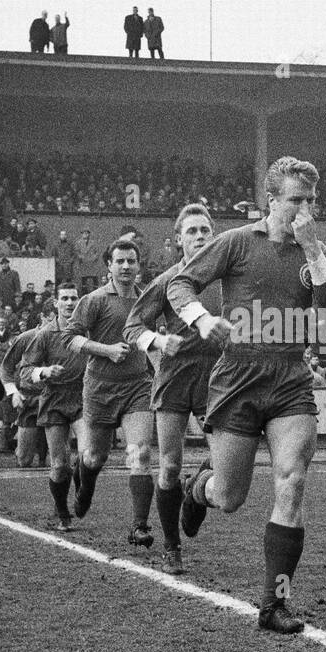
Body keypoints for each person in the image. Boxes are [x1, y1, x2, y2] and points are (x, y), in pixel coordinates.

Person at [167, 156, 326, 634]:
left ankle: (274, 603)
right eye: (295, 200)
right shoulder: (236, 243)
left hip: (290, 380)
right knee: (229, 497)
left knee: (291, 480)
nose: (305, 209)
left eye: (311, 200)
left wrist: (312, 251)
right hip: (238, 378)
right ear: (272, 201)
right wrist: (203, 320)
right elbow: (181, 283)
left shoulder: (317, 251)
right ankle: (196, 488)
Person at [122, 204, 221, 573]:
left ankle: (196, 492)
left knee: (227, 461)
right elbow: (132, 327)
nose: (199, 237)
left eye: (205, 230)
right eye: (191, 231)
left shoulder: (228, 278)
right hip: (175, 378)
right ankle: (171, 546)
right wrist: (159, 343)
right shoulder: (167, 281)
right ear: (178, 239)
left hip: (218, 378)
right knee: (169, 465)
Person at [62, 239, 156, 546]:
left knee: (140, 452)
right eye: (120, 261)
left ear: (139, 265)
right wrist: (105, 350)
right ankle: (85, 485)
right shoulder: (95, 300)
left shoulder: (148, 301)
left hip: (138, 387)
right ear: (109, 266)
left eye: (131, 261)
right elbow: (70, 339)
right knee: (94, 457)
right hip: (100, 388)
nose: (126, 266)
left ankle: (139, 526)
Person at [21, 285, 89, 532]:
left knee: (88, 453)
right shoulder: (46, 333)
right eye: (65, 299)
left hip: (83, 397)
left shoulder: (87, 329)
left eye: (74, 298)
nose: (70, 303)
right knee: (60, 464)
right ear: (56, 304)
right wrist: (44, 371)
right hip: (54, 400)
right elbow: (25, 371)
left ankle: (83, 492)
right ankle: (62, 511)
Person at [0, 312, 52, 471]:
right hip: (30, 398)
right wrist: (13, 392)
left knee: (61, 456)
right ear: (43, 317)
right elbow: (6, 367)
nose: (55, 323)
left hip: (56, 397)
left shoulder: (66, 336)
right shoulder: (26, 338)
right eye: (51, 319)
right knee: (24, 458)